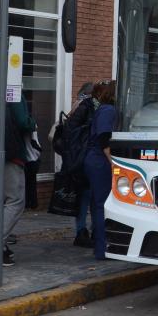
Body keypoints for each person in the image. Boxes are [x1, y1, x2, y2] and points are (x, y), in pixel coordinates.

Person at [0, 95, 37, 266]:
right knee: (16, 200)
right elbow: (23, 122)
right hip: (8, 153)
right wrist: (33, 123)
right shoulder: (14, 92)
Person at [84, 80, 118, 260]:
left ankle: (102, 245)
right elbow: (104, 139)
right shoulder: (108, 110)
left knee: (99, 204)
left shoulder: (104, 109)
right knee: (101, 205)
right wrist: (113, 162)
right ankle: (101, 248)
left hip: (96, 160)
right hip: (99, 161)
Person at [69, 81, 94, 248]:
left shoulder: (77, 105)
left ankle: (82, 230)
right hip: (84, 157)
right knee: (87, 195)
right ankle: (83, 232)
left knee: (84, 196)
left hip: (77, 157)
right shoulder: (87, 106)